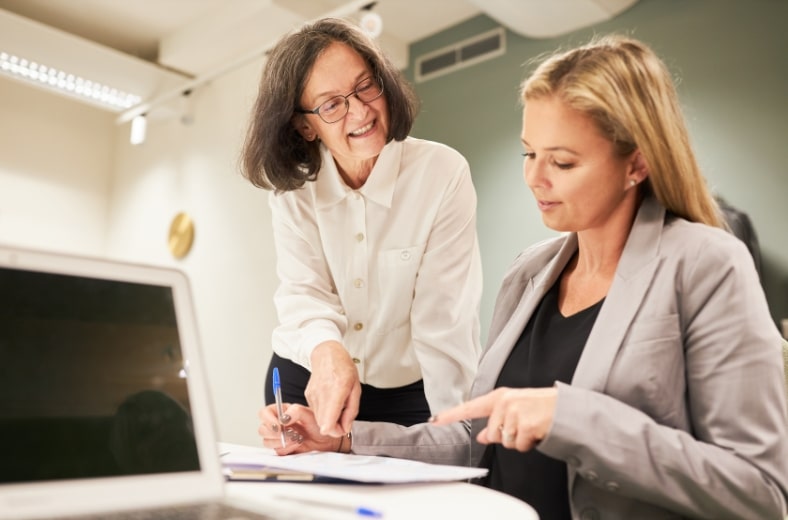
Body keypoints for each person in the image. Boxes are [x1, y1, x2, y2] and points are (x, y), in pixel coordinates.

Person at [257, 34, 788, 519]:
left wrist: (571, 419)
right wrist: (345, 443)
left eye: (562, 161)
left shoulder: (708, 265)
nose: (534, 178)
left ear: (637, 163)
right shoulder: (530, 273)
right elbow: (477, 440)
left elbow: (761, 490)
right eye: (529, 153)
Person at [240, 18, 482, 438]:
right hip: (310, 376)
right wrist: (328, 351)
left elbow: (444, 322)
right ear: (305, 125)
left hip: (409, 391)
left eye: (365, 86)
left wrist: (458, 437)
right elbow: (305, 293)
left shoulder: (441, 173)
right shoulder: (294, 193)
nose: (360, 110)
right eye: (332, 104)